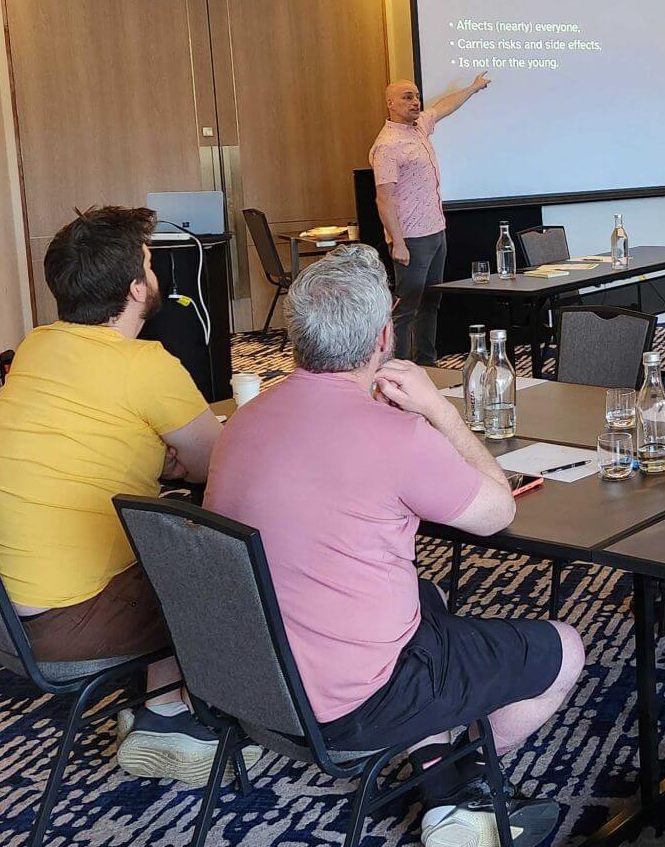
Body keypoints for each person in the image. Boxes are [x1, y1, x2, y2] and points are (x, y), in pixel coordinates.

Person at [206, 245, 582, 847]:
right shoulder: (399, 434)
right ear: (385, 336)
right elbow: (497, 511)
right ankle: (465, 792)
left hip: (252, 679)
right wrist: (438, 411)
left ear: (297, 335)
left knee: (426, 596)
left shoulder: (243, 421)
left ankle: (444, 794)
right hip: (353, 702)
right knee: (565, 649)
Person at [0, 205, 229, 781]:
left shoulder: (35, 346)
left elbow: (98, 438)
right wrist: (178, 456)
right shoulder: (144, 364)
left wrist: (159, 455)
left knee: (168, 523)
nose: (155, 275)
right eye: (152, 265)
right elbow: (215, 462)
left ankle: (161, 701)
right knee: (225, 565)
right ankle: (169, 716)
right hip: (65, 621)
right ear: (137, 288)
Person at [372, 72, 491, 365]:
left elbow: (445, 106)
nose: (415, 101)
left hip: (436, 231)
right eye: (407, 97)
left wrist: (473, 89)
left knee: (431, 302)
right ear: (390, 103)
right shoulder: (388, 145)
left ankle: (427, 363)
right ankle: (396, 369)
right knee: (406, 307)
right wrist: (398, 243)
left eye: (416, 95)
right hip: (411, 238)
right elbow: (384, 198)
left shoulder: (419, 127)